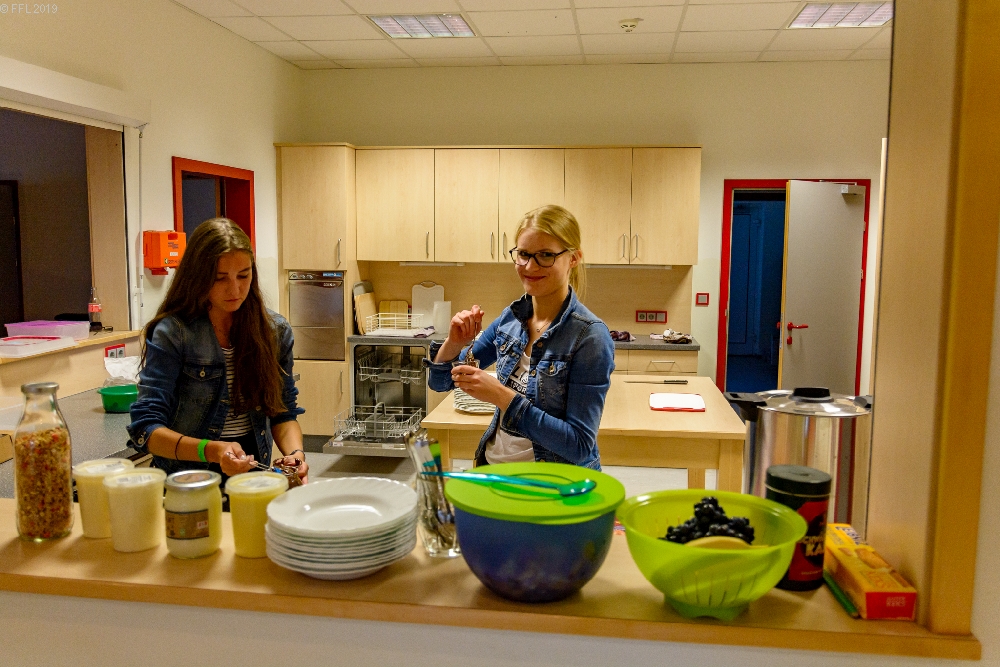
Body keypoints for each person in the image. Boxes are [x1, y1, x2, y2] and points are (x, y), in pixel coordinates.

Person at [426, 205, 615, 470]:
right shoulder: (511, 319)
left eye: (546, 255)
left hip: (552, 483)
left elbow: (579, 445)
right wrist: (454, 343)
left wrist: (502, 397)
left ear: (573, 258)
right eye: (524, 254)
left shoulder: (589, 337)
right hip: (494, 469)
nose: (530, 266)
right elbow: (441, 382)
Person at [128, 218, 308, 486]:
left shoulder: (274, 332)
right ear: (198, 277)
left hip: (252, 479)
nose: (235, 289)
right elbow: (146, 429)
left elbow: (283, 413)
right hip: (188, 482)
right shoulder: (174, 333)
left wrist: (295, 455)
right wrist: (211, 450)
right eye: (220, 278)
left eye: (243, 276)